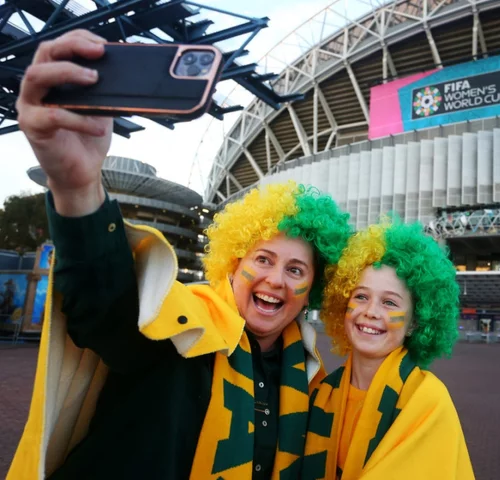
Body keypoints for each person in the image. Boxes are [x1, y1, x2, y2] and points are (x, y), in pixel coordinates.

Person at [9, 29, 353, 480]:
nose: (275, 281)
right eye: (263, 260)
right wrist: (76, 187)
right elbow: (104, 309)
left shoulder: (309, 379)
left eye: (295, 269)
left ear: (311, 289)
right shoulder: (181, 328)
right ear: (234, 266)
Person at [302, 221, 474, 479]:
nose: (370, 312)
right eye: (360, 296)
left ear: (414, 322)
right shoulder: (321, 392)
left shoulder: (428, 400)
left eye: (389, 302)